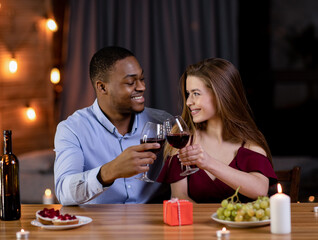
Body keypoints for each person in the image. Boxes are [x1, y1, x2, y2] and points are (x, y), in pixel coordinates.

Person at [54, 46, 172, 205]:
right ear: (102, 87)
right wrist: (110, 171)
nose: (142, 87)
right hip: (98, 226)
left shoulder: (163, 122)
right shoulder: (72, 129)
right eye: (131, 82)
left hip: (154, 224)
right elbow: (64, 192)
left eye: (142, 79)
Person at [157, 58, 277, 203]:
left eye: (196, 93)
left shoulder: (248, 142)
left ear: (220, 94)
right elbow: (179, 197)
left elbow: (260, 191)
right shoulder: (183, 139)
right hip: (198, 225)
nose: (188, 102)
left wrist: (208, 163)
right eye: (188, 94)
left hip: (242, 224)